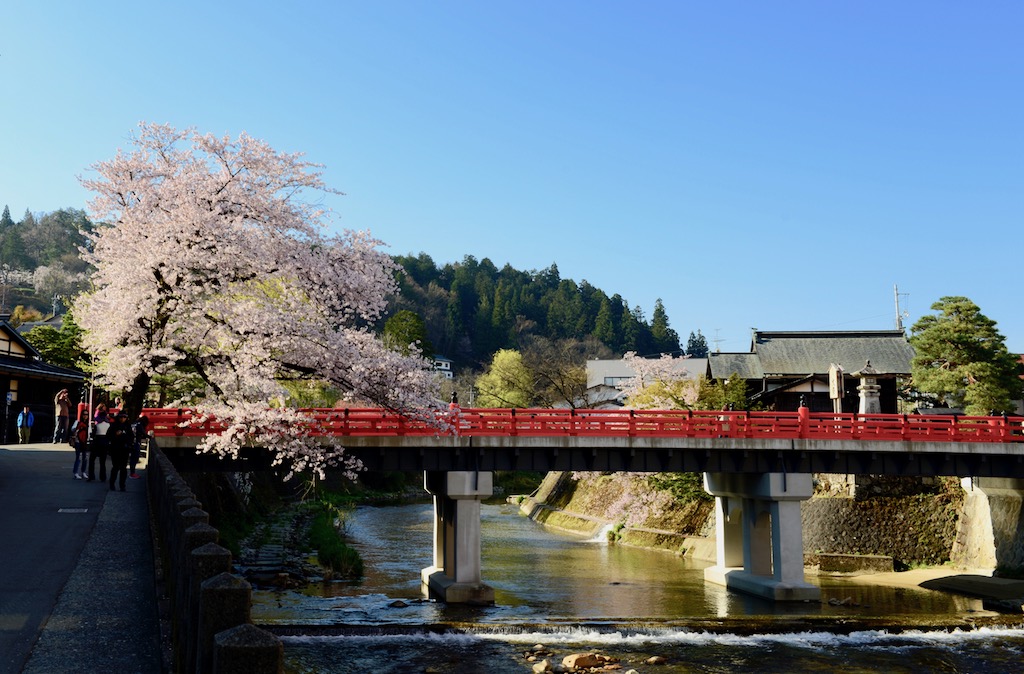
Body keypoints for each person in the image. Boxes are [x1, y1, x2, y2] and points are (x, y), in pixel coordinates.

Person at [107, 411, 133, 491]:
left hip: (125, 449)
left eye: (124, 417)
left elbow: (131, 437)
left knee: (123, 468)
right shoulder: (114, 426)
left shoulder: (128, 426)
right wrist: (115, 435)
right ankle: (112, 484)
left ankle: (122, 485)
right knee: (115, 467)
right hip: (115, 449)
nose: (122, 419)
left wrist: (128, 443)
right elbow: (108, 436)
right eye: (121, 417)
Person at [88, 411, 111, 482]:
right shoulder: (108, 425)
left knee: (92, 460)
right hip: (105, 442)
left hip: (97, 442)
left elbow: (93, 434)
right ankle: (103, 477)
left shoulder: (97, 425)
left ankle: (91, 476)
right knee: (102, 461)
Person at [69, 411, 91, 479]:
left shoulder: (88, 423)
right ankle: (76, 472)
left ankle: (83, 472)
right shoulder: (77, 422)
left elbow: (89, 432)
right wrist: (78, 428)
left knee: (85, 458)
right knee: (78, 457)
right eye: (84, 414)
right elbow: (72, 429)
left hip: (85, 442)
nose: (85, 416)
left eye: (86, 414)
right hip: (78, 441)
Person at [130, 414, 149, 479]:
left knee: (132, 458)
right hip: (136, 443)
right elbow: (144, 434)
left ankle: (132, 473)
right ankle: (132, 473)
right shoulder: (140, 425)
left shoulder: (134, 423)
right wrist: (149, 436)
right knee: (135, 458)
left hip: (131, 442)